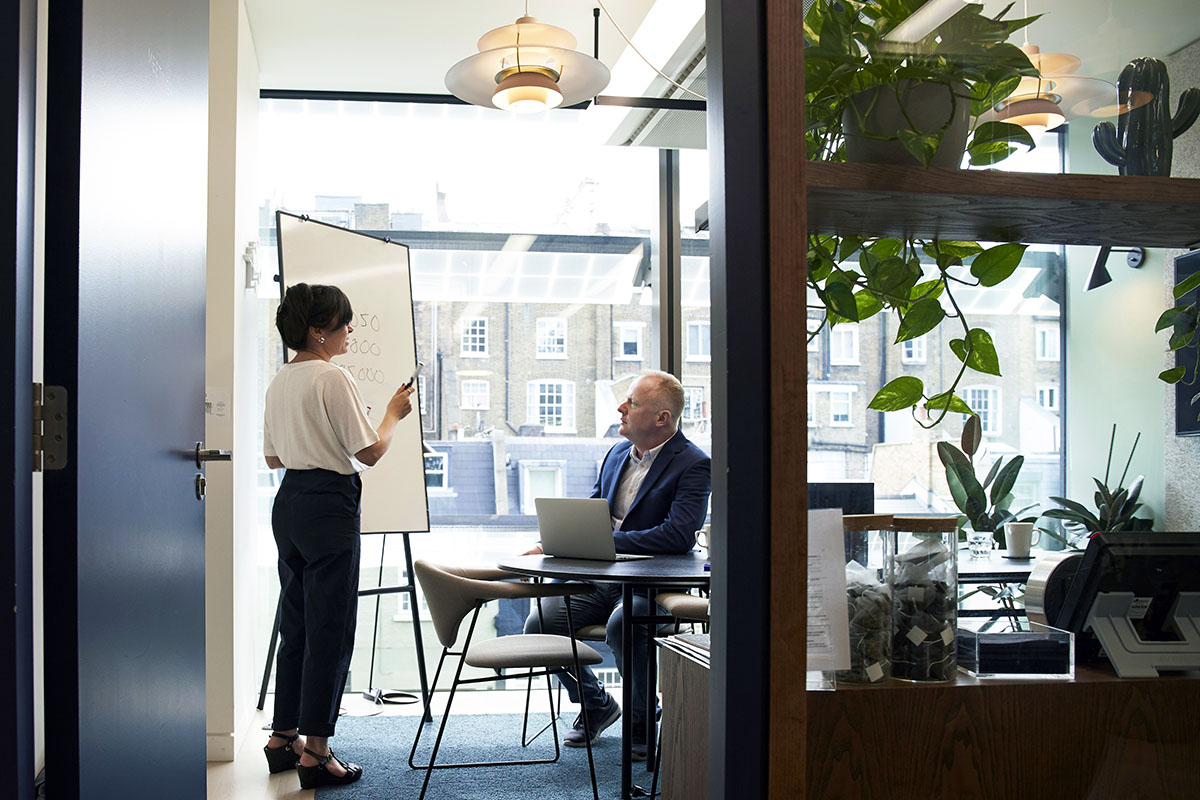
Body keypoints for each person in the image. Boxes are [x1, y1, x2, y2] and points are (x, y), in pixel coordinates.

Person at [261, 283, 415, 789]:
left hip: (290, 502)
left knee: (298, 624)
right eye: (344, 323)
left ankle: (283, 738)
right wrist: (392, 414)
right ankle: (318, 753)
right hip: (329, 504)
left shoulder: (280, 381)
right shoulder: (333, 376)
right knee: (330, 627)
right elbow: (368, 453)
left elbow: (274, 458)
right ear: (318, 331)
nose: (350, 330)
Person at [522, 370, 711, 761]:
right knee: (540, 623)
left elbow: (676, 535)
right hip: (603, 579)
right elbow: (593, 515)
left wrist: (605, 542)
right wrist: (552, 542)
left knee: (624, 625)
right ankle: (596, 703)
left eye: (633, 403)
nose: (621, 408)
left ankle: (642, 720)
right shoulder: (614, 455)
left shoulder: (693, 463)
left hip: (654, 586)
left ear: (662, 418)